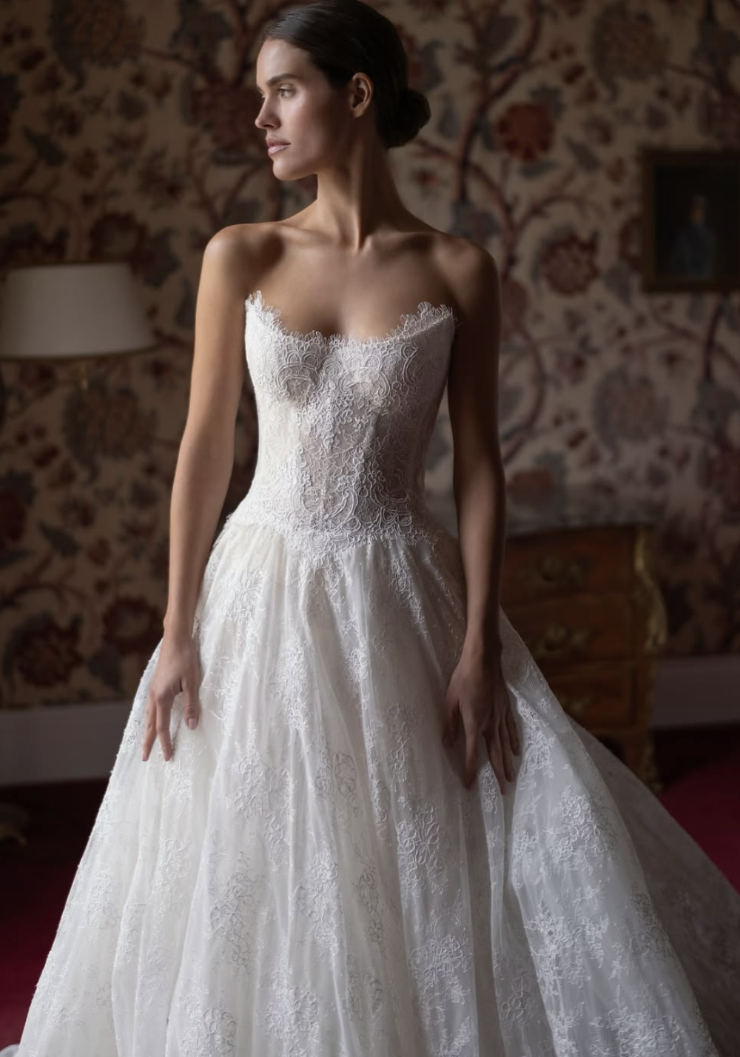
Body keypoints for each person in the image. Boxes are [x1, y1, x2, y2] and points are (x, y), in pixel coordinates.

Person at [10, 2, 740, 1054]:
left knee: (433, 832)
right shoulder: (241, 254)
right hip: (261, 583)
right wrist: (176, 629)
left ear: (355, 94)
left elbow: (479, 466)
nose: (260, 117)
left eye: (283, 90)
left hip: (402, 584)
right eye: (259, 95)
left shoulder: (456, 268)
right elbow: (205, 448)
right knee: (261, 839)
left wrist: (477, 642)